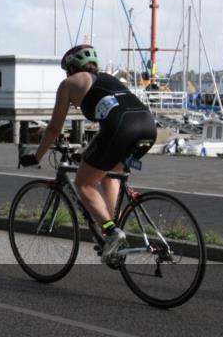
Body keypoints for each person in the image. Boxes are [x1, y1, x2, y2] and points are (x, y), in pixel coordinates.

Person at [20, 45, 157, 265]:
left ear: (72, 68)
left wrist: (37, 156)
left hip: (121, 129)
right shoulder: (108, 80)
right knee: (110, 174)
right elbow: (111, 122)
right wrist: (86, 156)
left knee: (83, 183)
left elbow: (55, 128)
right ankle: (114, 231)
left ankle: (111, 232)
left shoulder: (69, 84)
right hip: (148, 127)